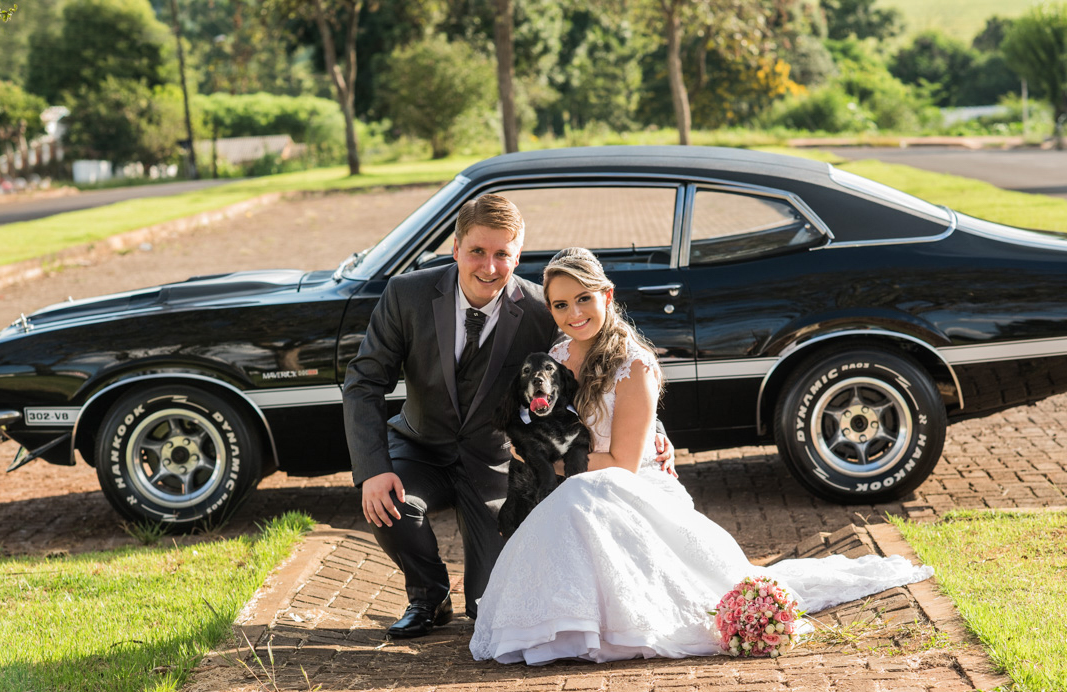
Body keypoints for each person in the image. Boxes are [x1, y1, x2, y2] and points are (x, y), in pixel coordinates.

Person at [470, 248, 934, 665]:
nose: (575, 313)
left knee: (579, 496)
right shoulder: (555, 356)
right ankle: (556, 617)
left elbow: (624, 464)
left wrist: (548, 464)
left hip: (627, 484)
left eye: (584, 299)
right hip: (584, 481)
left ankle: (608, 623)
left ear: (607, 295)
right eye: (561, 304)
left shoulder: (633, 364)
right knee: (567, 501)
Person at [342, 197, 673, 639]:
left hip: (496, 462)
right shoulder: (407, 295)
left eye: (503, 254)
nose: (490, 266)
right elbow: (363, 381)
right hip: (420, 448)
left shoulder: (545, 309)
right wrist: (373, 469)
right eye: (478, 251)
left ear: (518, 256)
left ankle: (473, 591)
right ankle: (428, 595)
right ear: (455, 248)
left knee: (491, 609)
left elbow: (602, 364)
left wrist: (654, 431)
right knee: (389, 507)